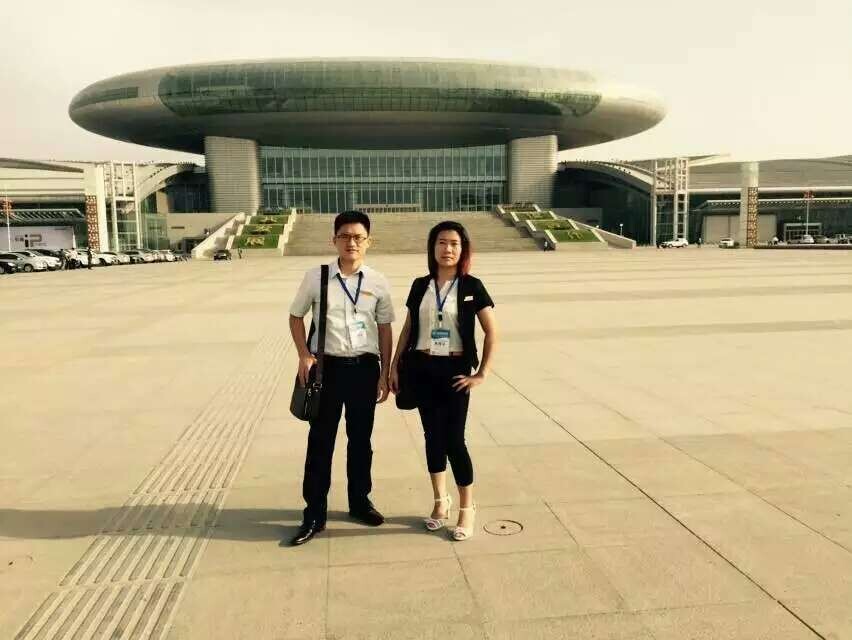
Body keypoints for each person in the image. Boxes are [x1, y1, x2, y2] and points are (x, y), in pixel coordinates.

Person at [287, 211, 395, 546]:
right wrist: (304, 354)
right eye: (345, 236)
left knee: (361, 441)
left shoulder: (377, 281)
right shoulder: (316, 277)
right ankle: (314, 513)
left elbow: (385, 328)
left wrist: (385, 372)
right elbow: (295, 316)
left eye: (358, 237)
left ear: (368, 242)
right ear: (334, 240)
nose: (351, 242)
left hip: (364, 369)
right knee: (321, 442)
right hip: (326, 370)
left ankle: (359, 502)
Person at [389, 221, 497, 541]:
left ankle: (467, 507)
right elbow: (408, 329)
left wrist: (482, 373)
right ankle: (440, 501)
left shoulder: (472, 286)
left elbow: (492, 332)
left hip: (455, 372)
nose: (447, 249)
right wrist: (394, 366)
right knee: (432, 438)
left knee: (454, 441)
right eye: (441, 242)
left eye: (454, 243)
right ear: (432, 247)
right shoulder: (420, 285)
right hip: (422, 368)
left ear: (463, 249)